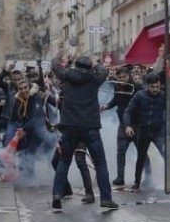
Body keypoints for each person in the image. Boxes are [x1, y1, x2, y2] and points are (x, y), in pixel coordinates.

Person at [51, 56, 119, 212]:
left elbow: (55, 66)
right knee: (100, 163)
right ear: (90, 68)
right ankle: (106, 198)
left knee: (64, 161)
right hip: (90, 126)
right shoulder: (95, 78)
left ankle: (56, 194)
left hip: (70, 126)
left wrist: (59, 57)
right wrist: (96, 64)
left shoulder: (67, 75)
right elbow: (103, 69)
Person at [100, 65, 149, 186]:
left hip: (137, 124)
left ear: (129, 76)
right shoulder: (117, 86)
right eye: (120, 77)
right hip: (123, 123)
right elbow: (116, 99)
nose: (123, 79)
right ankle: (120, 177)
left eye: (125, 76)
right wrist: (107, 106)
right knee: (121, 151)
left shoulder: (136, 88)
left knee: (141, 151)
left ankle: (149, 176)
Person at [124, 72, 165, 191]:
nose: (155, 89)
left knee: (166, 155)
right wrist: (127, 126)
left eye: (157, 86)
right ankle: (137, 182)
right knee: (141, 158)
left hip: (158, 131)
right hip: (143, 130)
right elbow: (128, 111)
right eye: (153, 87)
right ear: (147, 85)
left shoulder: (164, 96)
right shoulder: (139, 95)